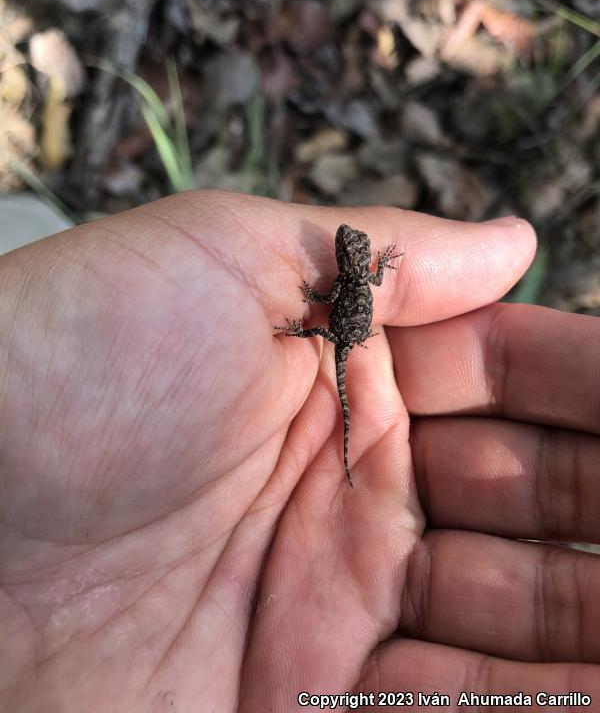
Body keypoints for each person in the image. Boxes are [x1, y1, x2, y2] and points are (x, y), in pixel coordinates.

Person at [0, 189, 598, 711]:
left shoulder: (343, 285)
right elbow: (355, 295)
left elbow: (330, 303)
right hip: (353, 333)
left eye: (353, 249)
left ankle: (335, 423)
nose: (349, 248)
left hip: (346, 332)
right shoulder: (361, 281)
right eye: (355, 249)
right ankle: (339, 436)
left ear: (349, 262)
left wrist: (311, 314)